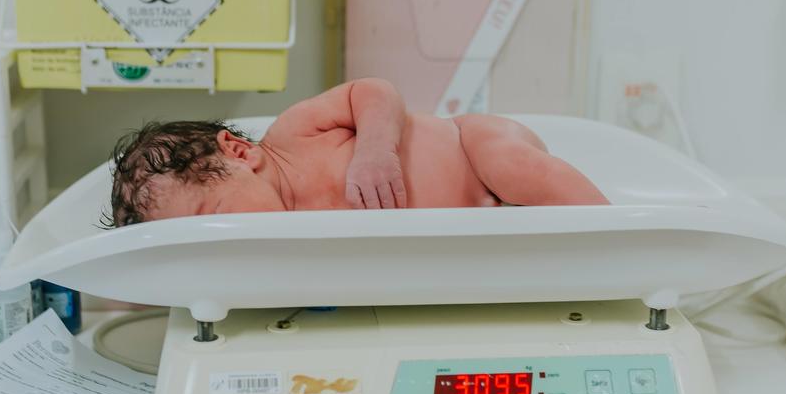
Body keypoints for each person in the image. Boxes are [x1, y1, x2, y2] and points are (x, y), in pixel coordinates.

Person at [108, 78, 608, 226]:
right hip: (480, 228)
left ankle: (620, 231)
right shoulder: (287, 238)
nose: (218, 235)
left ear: (240, 153)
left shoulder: (293, 135)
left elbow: (375, 91)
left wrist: (375, 147)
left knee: (518, 167)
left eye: (214, 213)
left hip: (472, 150)